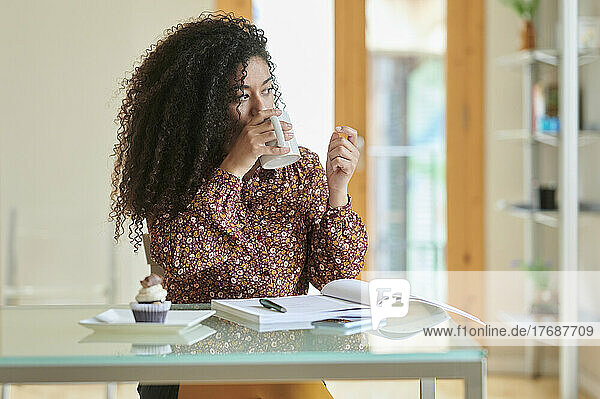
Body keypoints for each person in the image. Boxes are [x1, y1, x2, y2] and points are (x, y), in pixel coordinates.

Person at [109, 12, 367, 399]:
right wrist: (235, 167)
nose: (261, 109)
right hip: (194, 357)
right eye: (241, 97)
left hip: (284, 357)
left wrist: (337, 191)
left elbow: (337, 276)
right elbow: (182, 256)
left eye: (267, 90)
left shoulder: (301, 170)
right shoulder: (176, 177)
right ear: (201, 108)